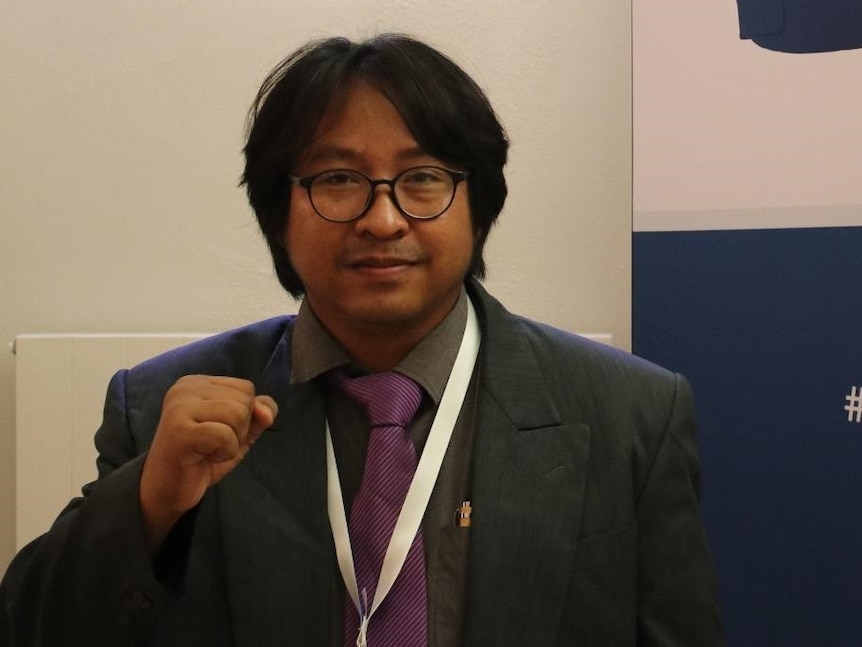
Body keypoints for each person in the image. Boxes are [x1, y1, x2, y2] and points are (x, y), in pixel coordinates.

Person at [0, 33, 724, 646]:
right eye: (339, 178)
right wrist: (151, 503)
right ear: (279, 211)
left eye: (422, 178)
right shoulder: (160, 409)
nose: (382, 220)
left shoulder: (631, 414)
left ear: (480, 204)